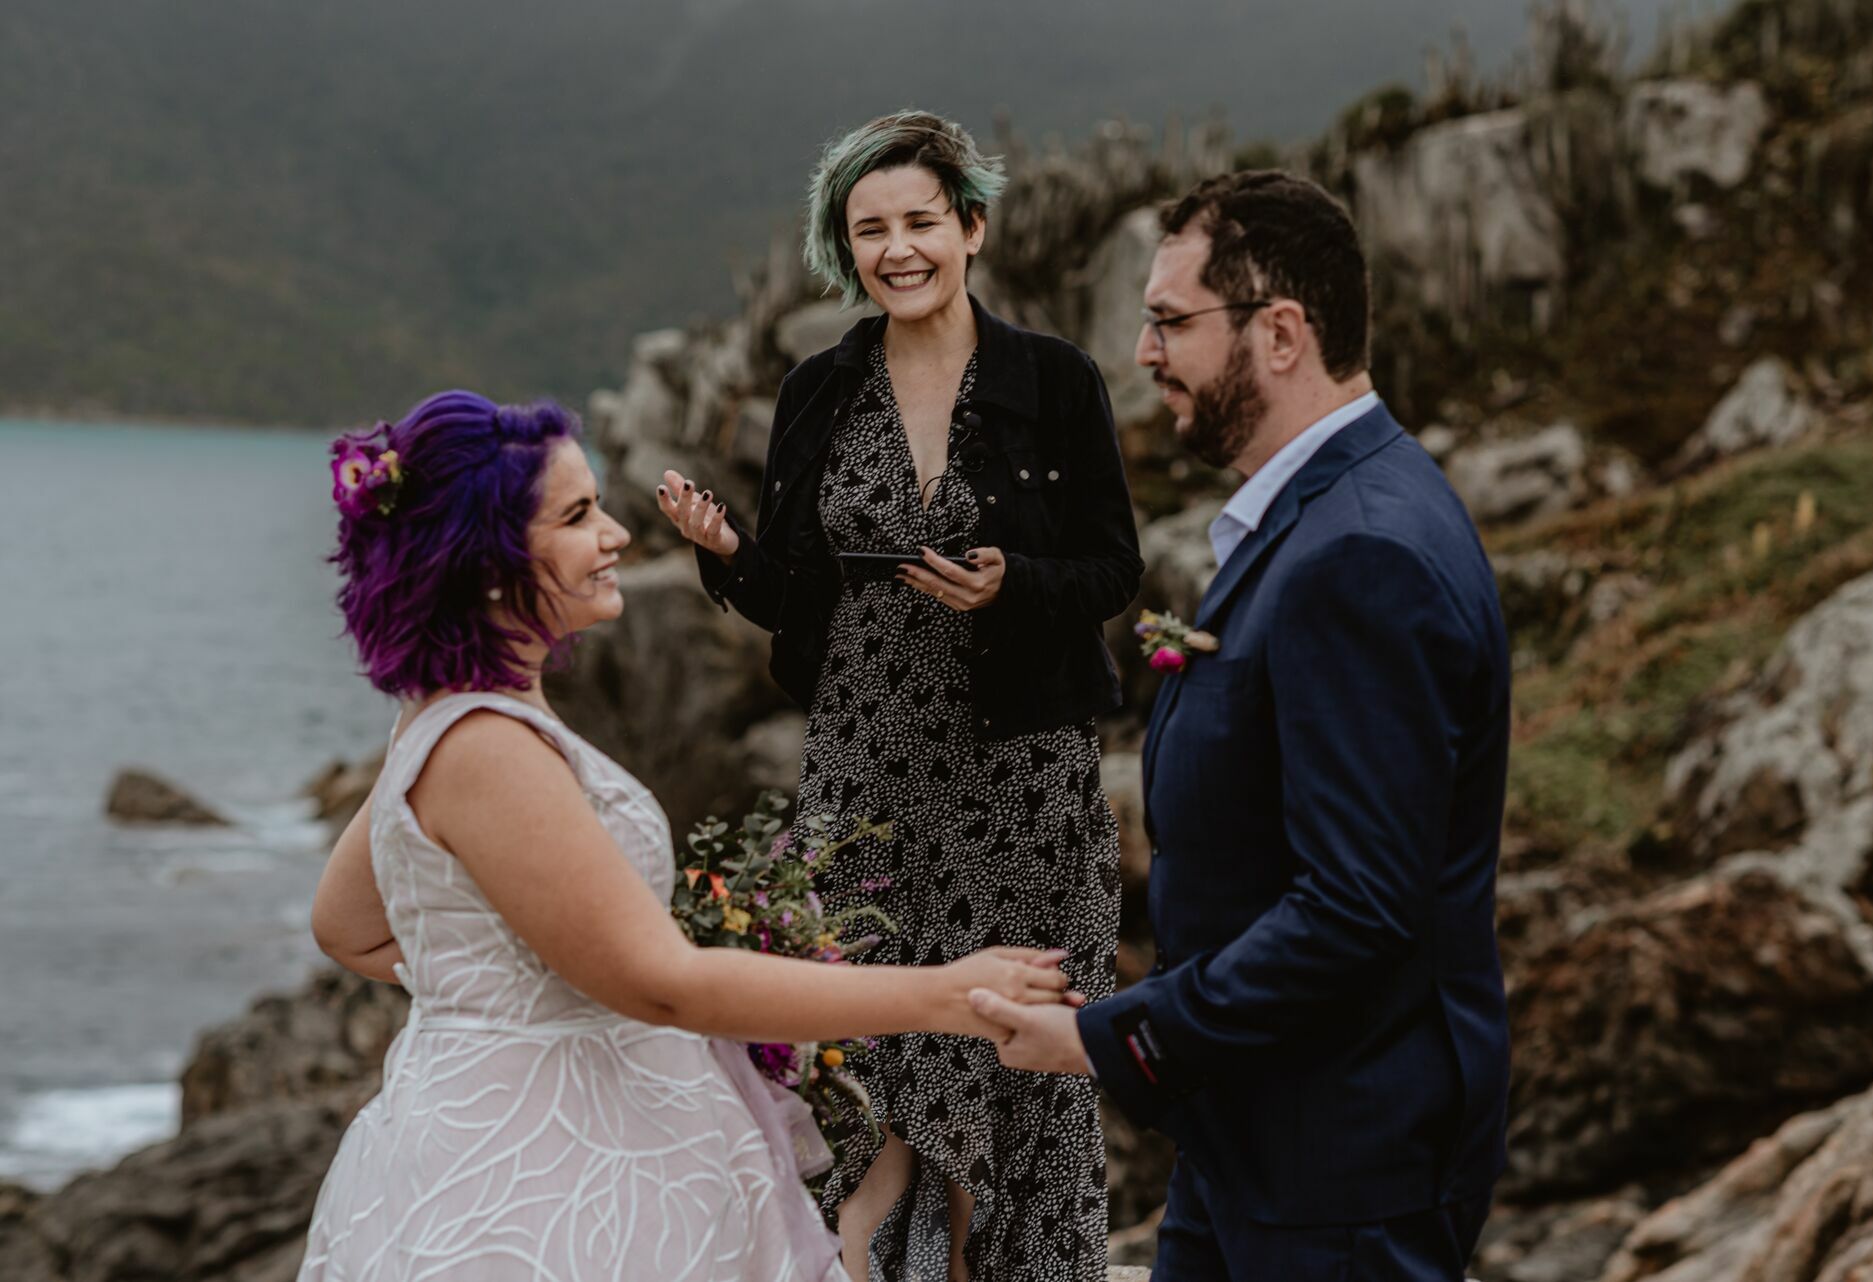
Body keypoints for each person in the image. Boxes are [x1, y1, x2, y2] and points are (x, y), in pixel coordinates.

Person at [300, 389, 1079, 1282]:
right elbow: (664, 985)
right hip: (546, 1168)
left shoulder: (437, 718)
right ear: (488, 561)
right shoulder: (487, 750)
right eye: (579, 515)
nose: (619, 535)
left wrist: (527, 976)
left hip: (496, 1122)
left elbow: (350, 928)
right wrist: (946, 995)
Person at [970, 170, 1513, 1282]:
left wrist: (1111, 1037)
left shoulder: (1362, 553)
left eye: (1171, 322)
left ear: (1279, 333)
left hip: (1340, 1171)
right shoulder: (1323, 515)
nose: (1143, 352)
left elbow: (1358, 906)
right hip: (1256, 1143)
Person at [655, 110, 1142, 1282]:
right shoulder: (818, 390)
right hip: (866, 769)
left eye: (922, 220)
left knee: (1001, 1053)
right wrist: (722, 551)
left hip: (1017, 774)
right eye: (870, 230)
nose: (899, 248)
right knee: (871, 1052)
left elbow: (1116, 570)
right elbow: (787, 590)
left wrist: (1012, 581)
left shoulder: (1055, 381)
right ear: (846, 253)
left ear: (971, 227)